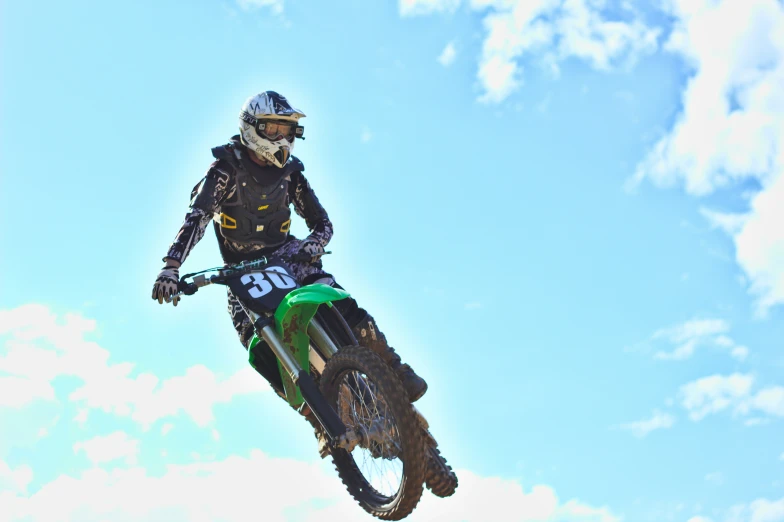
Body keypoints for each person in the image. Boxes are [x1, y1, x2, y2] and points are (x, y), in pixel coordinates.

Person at [150, 91, 427, 410]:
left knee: (339, 299)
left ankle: (395, 368)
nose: (282, 138)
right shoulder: (225, 169)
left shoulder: (290, 173)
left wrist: (315, 243)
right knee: (260, 348)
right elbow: (197, 218)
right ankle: (321, 420)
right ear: (251, 127)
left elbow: (321, 221)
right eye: (273, 129)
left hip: (288, 256)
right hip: (240, 272)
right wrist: (171, 266)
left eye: (287, 130)